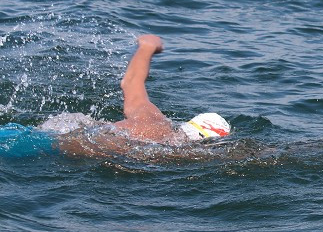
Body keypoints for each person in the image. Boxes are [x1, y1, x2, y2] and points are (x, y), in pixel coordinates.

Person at [2, 34, 231, 158]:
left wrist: (148, 46)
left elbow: (131, 82)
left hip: (52, 131)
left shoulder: (153, 118)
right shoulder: (173, 153)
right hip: (42, 146)